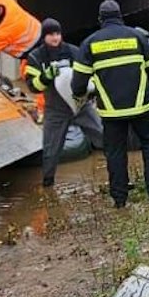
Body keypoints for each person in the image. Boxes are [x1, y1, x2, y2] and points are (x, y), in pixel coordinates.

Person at [73, 1, 149, 208]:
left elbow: (78, 84)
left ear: (100, 19)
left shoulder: (89, 43)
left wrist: (84, 95)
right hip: (142, 106)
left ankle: (119, 198)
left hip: (111, 111)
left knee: (115, 151)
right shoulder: (136, 37)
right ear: (121, 16)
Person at [21, 18, 102, 188]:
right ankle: (48, 184)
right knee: (51, 149)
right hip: (55, 109)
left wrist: (92, 90)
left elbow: (90, 72)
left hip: (80, 105)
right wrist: (45, 77)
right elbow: (32, 87)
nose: (55, 38)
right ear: (44, 36)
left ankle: (119, 173)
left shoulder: (73, 51)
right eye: (51, 34)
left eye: (57, 33)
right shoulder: (36, 57)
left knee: (103, 134)